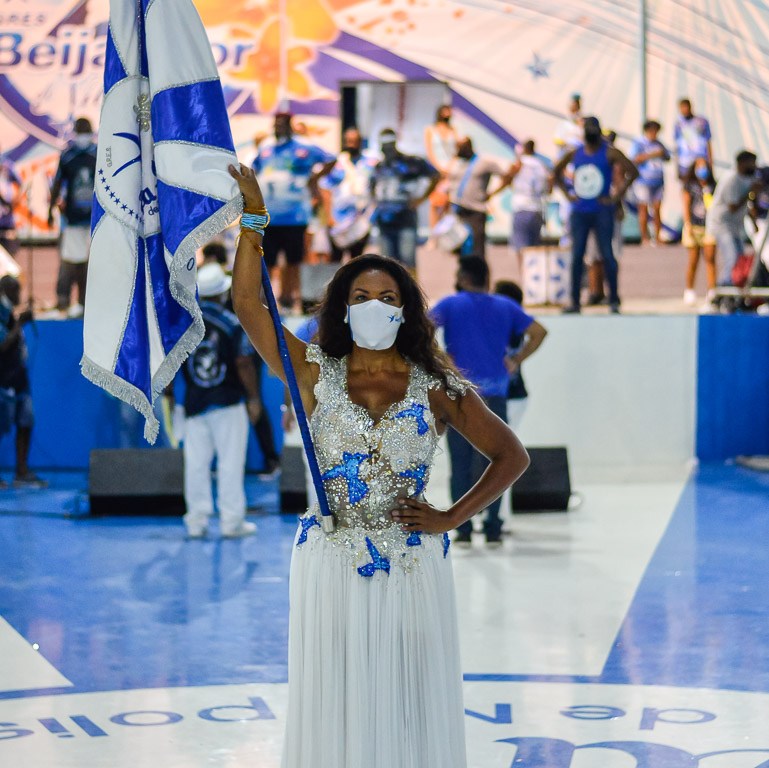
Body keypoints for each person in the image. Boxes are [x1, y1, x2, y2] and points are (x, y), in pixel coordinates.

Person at [228, 163, 529, 767]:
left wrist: (452, 517)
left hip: (412, 562)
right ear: (342, 309)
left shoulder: (435, 384)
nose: (374, 307)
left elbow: (510, 455)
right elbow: (247, 304)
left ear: (405, 311)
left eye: (388, 299)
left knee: (406, 696)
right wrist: (254, 220)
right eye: (361, 298)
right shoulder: (311, 370)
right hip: (330, 560)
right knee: (337, 695)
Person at [431, 257, 545, 547]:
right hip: (495, 392)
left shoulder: (451, 304)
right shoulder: (505, 306)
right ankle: (493, 526)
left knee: (460, 464)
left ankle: (463, 528)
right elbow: (539, 332)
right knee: (498, 461)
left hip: (460, 394)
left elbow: (422, 327)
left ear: (463, 277)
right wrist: (516, 359)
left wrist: (439, 359)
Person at [174, 262, 260, 539]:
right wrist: (254, 397)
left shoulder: (186, 324)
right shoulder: (232, 324)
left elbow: (172, 363)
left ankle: (196, 522)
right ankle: (231, 522)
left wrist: (175, 399)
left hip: (195, 403)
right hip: (228, 402)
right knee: (230, 464)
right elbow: (243, 362)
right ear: (223, 293)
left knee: (196, 465)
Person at [552, 116, 639, 313]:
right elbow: (556, 171)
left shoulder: (609, 152)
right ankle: (575, 301)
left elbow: (632, 171)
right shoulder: (576, 153)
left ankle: (613, 299)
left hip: (601, 211)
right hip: (581, 211)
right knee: (577, 256)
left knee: (607, 255)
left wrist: (615, 197)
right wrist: (568, 195)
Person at [251, 112, 335, 310]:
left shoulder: (304, 147)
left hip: (295, 216)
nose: (278, 128)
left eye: (282, 125)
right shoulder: (266, 148)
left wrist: (314, 179)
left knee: (293, 261)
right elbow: (255, 169)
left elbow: (331, 159)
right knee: (267, 260)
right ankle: (265, 300)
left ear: (290, 126)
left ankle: (288, 298)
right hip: (269, 215)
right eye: (276, 125)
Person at [370, 128, 440, 270]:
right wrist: (376, 204)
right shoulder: (379, 167)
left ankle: (410, 286)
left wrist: (421, 199)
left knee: (407, 262)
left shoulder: (411, 163)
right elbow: (372, 187)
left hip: (405, 219)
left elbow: (435, 175)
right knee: (386, 264)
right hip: (384, 221)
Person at [48, 117, 97, 318]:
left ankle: (86, 303)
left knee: (90, 265)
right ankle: (63, 302)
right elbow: (57, 184)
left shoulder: (99, 154)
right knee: (68, 264)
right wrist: (50, 211)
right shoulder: (68, 156)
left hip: (94, 221)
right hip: (72, 220)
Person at [0, 275, 46, 488]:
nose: (19, 295)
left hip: (19, 379)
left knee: (26, 423)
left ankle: (21, 471)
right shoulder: (3, 315)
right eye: (15, 291)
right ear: (5, 291)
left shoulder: (10, 313)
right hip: (4, 381)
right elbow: (3, 345)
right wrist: (20, 324)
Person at [445, 136, 514, 258]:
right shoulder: (458, 164)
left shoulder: (484, 163)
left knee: (476, 248)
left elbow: (507, 177)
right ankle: (464, 269)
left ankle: (479, 269)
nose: (457, 151)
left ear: (467, 147)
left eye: (459, 148)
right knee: (460, 248)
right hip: (459, 209)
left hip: (476, 210)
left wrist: (492, 193)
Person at [319, 127, 378, 261]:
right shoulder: (336, 163)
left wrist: (372, 214)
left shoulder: (370, 163)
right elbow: (324, 188)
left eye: (355, 141)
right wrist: (329, 216)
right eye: (348, 141)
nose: (351, 144)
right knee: (335, 260)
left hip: (360, 219)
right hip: (338, 219)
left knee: (357, 260)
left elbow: (375, 188)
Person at [705, 150, 760, 292]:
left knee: (740, 257)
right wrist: (749, 193)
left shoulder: (747, 178)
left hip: (734, 226)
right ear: (742, 163)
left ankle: (736, 286)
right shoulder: (731, 179)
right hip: (721, 224)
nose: (754, 167)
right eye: (751, 163)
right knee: (732, 257)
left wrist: (754, 222)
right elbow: (733, 207)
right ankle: (724, 287)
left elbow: (748, 204)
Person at [494, 280, 544, 432]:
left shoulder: (510, 324)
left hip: (510, 396)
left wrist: (515, 360)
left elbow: (540, 333)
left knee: (498, 440)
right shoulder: (517, 324)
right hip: (513, 395)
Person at [509, 139, 550, 272]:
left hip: (522, 208)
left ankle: (525, 277)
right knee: (534, 248)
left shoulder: (519, 164)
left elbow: (507, 178)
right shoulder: (541, 165)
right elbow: (549, 185)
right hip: (537, 209)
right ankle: (534, 276)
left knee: (521, 249)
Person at [681, 158, 717, 306]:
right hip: (694, 226)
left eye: (704, 166)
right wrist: (688, 224)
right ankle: (689, 290)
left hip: (709, 226)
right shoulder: (690, 185)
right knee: (693, 260)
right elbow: (686, 204)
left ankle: (712, 290)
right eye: (699, 166)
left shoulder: (712, 186)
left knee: (710, 259)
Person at [631, 120, 670, 245]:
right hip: (643, 180)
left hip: (658, 180)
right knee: (643, 209)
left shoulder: (659, 144)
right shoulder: (639, 143)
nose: (654, 134)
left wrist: (662, 153)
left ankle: (657, 237)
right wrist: (652, 154)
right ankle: (644, 238)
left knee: (657, 209)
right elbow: (634, 159)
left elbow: (667, 157)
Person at [424, 104, 460, 237]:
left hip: (451, 171)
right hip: (437, 170)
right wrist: (439, 169)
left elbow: (456, 151)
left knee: (448, 204)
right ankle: (433, 235)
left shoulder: (453, 130)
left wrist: (450, 168)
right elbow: (430, 152)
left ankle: (445, 235)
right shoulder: (430, 130)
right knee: (435, 203)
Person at [674, 98, 713, 179]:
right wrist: (677, 166)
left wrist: (710, 162)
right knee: (686, 183)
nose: (684, 110)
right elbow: (678, 145)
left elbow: (708, 142)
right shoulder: (678, 124)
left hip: (700, 160)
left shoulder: (702, 121)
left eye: (685, 107)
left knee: (701, 181)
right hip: (685, 162)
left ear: (690, 107)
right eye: (681, 108)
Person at [0, 147, 22, 259]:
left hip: (6, 220)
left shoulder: (7, 165)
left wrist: (15, 200)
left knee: (8, 258)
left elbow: (21, 184)